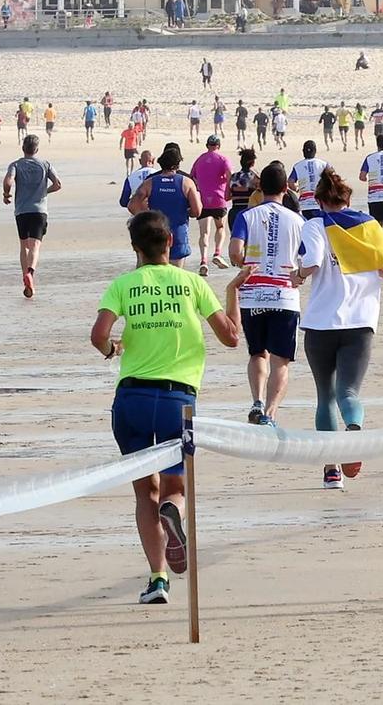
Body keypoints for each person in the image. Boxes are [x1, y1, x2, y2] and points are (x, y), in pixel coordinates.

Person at [90, 210, 239, 605]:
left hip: (132, 398)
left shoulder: (123, 284)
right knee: (175, 487)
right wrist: (232, 296)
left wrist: (112, 349)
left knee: (144, 492)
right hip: (178, 399)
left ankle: (157, 579)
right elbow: (231, 338)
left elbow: (99, 335)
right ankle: (173, 515)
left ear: (135, 248)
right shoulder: (192, 283)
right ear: (170, 243)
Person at [294, 169, 383, 488]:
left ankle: (331, 470)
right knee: (349, 392)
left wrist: (298, 275)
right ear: (348, 198)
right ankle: (353, 433)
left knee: (325, 396)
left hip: (320, 323)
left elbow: (311, 263)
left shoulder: (315, 225)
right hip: (360, 322)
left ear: (318, 200)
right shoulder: (368, 225)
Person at [227, 162, 302, 427]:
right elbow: (306, 259)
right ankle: (270, 413)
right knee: (281, 359)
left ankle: (257, 401)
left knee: (258, 353)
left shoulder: (246, 216)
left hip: (252, 294)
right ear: (285, 188)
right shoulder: (297, 220)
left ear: (260, 186)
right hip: (284, 295)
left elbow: (235, 251)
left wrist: (244, 264)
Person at [131, 143, 205, 273]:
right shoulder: (186, 182)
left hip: (156, 233)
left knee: (153, 276)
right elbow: (197, 211)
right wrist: (187, 212)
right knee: (176, 276)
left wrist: (147, 217)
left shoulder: (150, 182)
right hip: (178, 233)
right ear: (177, 164)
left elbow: (132, 205)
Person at [3, 135, 61, 299]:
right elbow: (58, 184)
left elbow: (8, 181)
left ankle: (25, 279)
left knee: (24, 246)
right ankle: (30, 273)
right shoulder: (45, 164)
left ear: (23, 148)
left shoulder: (15, 165)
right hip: (39, 210)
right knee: (35, 246)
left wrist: (6, 194)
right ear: (36, 149)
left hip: (22, 211)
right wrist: (44, 191)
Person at [191, 134, 233, 267]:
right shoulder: (223, 159)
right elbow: (229, 176)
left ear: (207, 145)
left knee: (204, 232)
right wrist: (228, 192)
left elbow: (192, 177)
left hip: (203, 200)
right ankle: (217, 253)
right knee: (220, 227)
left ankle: (203, 261)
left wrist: (199, 188)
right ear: (218, 146)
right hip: (219, 199)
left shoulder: (199, 159)